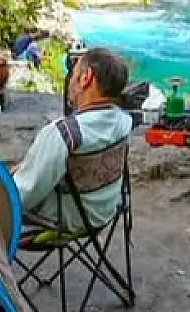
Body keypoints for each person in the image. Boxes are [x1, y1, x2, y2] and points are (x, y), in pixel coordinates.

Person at [12, 47, 132, 233]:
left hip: (65, 220)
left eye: (74, 73)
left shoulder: (63, 133)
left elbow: (22, 196)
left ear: (86, 78)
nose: (70, 81)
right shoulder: (124, 121)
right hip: (105, 211)